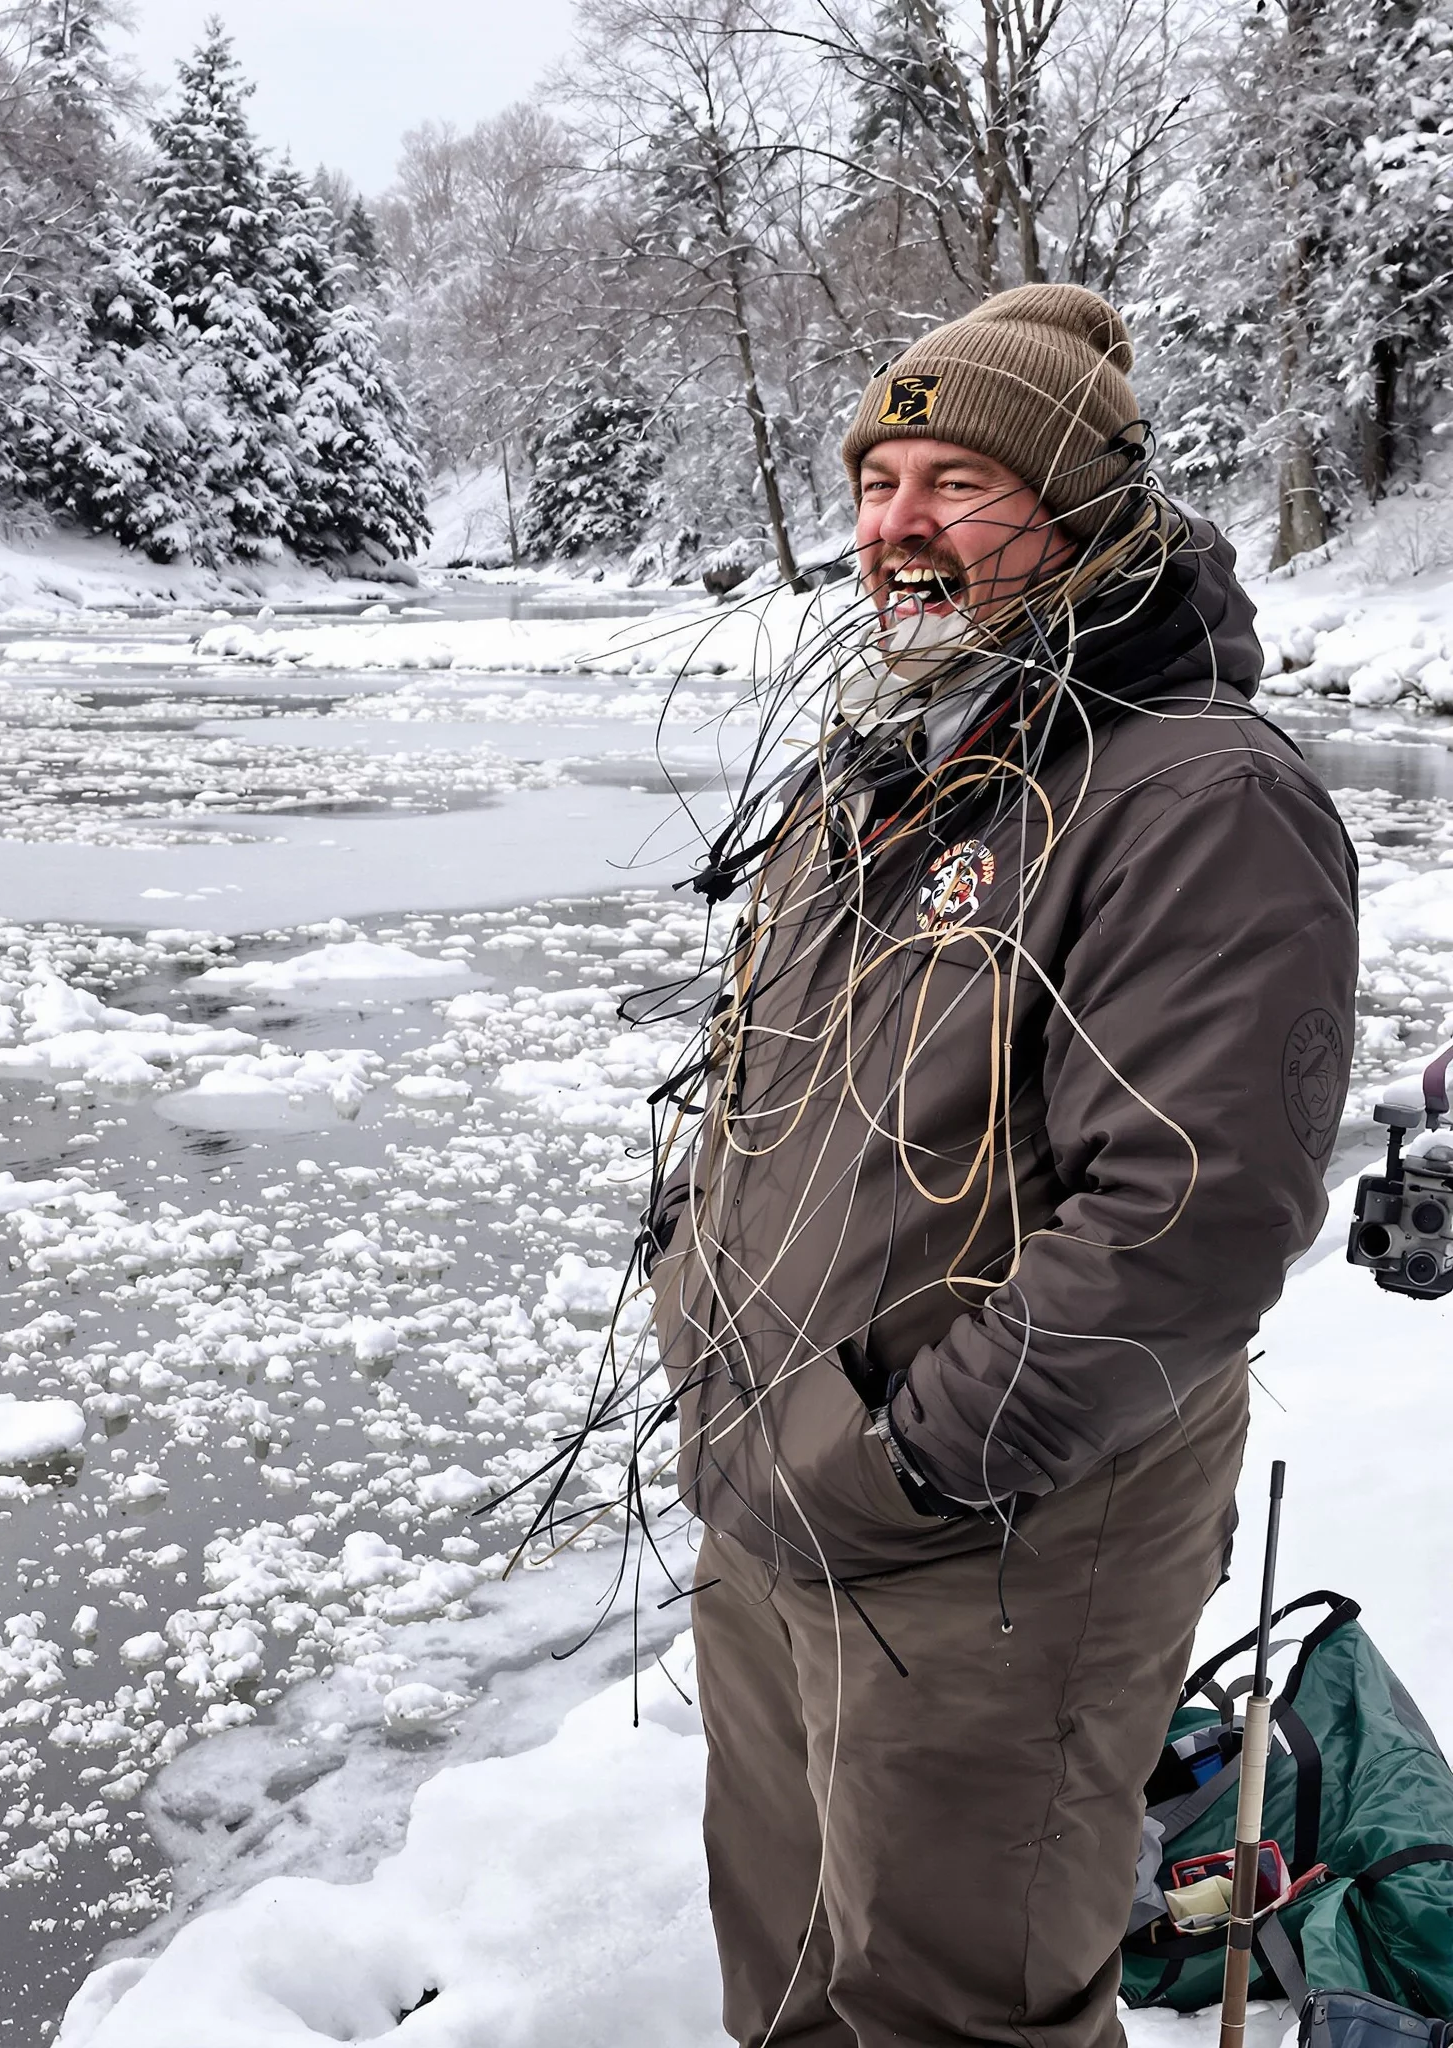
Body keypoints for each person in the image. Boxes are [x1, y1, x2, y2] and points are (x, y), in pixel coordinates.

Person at [645, 285, 1360, 2046]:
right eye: (879, 479)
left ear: (1083, 510)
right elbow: (770, 1098)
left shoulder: (1192, 792)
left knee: (954, 2013)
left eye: (957, 481)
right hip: (774, 1502)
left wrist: (907, 1456)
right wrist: (699, 1309)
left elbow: (1192, 1215)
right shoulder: (880, 775)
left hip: (991, 1548)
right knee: (794, 1982)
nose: (897, 526)